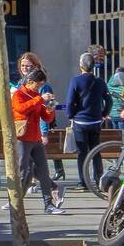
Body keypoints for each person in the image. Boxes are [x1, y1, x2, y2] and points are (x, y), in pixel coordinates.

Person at [13, 65, 63, 213]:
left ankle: (48, 204)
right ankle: (15, 202)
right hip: (23, 138)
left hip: (36, 138)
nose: (39, 88)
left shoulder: (36, 96)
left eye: (41, 86)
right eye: (38, 85)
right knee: (23, 171)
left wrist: (50, 109)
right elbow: (21, 109)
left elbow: (46, 118)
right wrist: (40, 99)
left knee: (43, 171)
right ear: (30, 82)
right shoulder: (19, 94)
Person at [64, 51, 112, 191]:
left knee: (82, 153)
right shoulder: (100, 82)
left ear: (81, 65)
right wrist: (103, 114)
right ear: (93, 66)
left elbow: (70, 102)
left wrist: (70, 115)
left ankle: (84, 182)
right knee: (95, 151)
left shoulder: (75, 81)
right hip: (95, 121)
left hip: (80, 122)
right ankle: (99, 180)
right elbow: (109, 100)